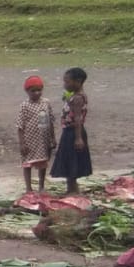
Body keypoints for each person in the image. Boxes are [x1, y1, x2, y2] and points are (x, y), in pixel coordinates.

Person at [50, 67, 91, 195]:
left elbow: (78, 118)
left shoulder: (78, 98)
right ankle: (71, 189)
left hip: (74, 132)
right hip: (69, 131)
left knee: (72, 162)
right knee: (69, 161)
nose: (65, 85)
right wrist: (68, 100)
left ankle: (73, 191)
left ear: (78, 81)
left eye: (67, 82)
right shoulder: (74, 96)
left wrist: (78, 138)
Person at [16, 74, 55, 194]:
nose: (37, 93)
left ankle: (41, 186)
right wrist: (22, 143)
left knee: (42, 164)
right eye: (33, 91)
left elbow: (51, 120)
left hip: (43, 140)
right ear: (27, 91)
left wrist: (53, 138)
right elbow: (19, 126)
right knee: (27, 164)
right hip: (29, 140)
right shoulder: (24, 106)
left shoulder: (46, 103)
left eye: (39, 90)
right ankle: (28, 188)